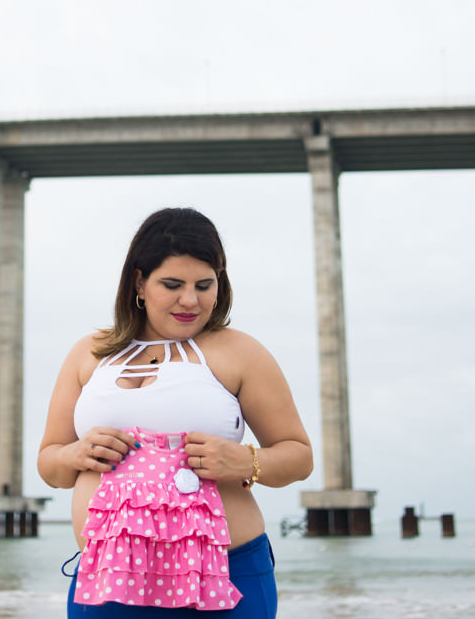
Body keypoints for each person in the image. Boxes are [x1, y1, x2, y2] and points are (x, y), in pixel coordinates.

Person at [38, 207, 314, 618]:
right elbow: (50, 465)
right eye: (172, 284)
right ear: (139, 282)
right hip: (108, 580)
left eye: (205, 285)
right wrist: (72, 455)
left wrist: (245, 461)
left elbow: (299, 456)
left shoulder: (240, 352)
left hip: (226, 575)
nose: (191, 300)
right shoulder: (89, 353)